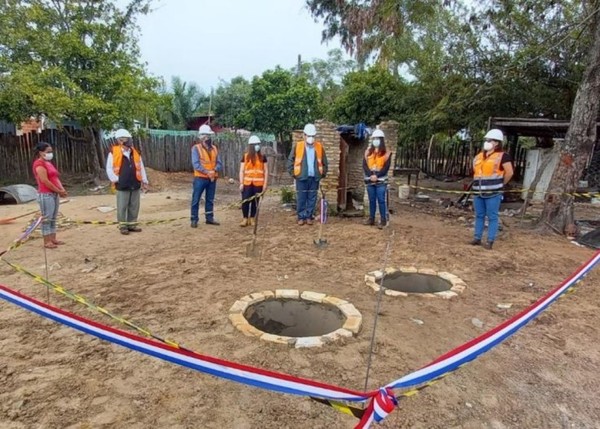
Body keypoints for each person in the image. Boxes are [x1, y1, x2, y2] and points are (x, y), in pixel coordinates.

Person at [471, 129, 514, 250]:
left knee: (492, 216)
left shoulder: (503, 156)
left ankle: (490, 240)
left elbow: (509, 172)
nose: (487, 142)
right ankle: (477, 238)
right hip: (478, 191)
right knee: (479, 215)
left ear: (497, 143)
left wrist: (501, 184)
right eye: (486, 140)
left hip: (493, 192)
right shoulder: (479, 156)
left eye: (489, 140)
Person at [105, 128, 149, 235]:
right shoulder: (113, 152)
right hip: (122, 184)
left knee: (134, 205)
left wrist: (144, 180)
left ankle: (132, 224)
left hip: (135, 182)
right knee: (122, 205)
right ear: (120, 140)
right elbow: (109, 168)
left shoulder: (135, 152)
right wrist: (116, 179)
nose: (130, 141)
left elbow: (141, 167)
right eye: (127, 139)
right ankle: (123, 226)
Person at [288, 123, 328, 226]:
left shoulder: (319, 147)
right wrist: (294, 174)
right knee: (301, 197)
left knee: (312, 198)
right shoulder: (298, 146)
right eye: (309, 136)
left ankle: (309, 216)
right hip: (301, 177)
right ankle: (301, 217)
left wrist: (322, 173)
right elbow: (290, 161)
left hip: (314, 178)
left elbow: (324, 162)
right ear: (304, 135)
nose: (311, 138)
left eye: (312, 136)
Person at [32, 142, 68, 249]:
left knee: (53, 217)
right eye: (48, 152)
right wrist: (59, 190)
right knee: (47, 218)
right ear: (41, 152)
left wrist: (62, 190)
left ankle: (53, 238)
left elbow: (55, 178)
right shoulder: (39, 164)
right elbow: (45, 181)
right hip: (45, 194)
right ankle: (46, 241)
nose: (50, 153)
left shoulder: (48, 163)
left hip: (54, 193)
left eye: (51, 151)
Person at [191, 124, 223, 227]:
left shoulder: (214, 148)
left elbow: (219, 163)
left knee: (210, 199)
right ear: (203, 136)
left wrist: (213, 171)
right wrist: (207, 172)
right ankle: (194, 219)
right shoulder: (196, 148)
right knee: (196, 199)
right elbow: (196, 164)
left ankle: (209, 218)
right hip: (200, 178)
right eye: (208, 135)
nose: (209, 138)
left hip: (212, 178)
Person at [363, 128, 391, 229]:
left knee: (381, 200)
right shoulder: (368, 152)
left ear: (381, 140)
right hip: (370, 180)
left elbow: (386, 167)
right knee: (371, 200)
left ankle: (383, 220)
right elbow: (365, 165)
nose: (375, 140)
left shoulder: (386, 153)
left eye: (377, 138)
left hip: (381, 181)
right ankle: (371, 218)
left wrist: (377, 176)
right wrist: (371, 175)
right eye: (374, 138)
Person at [239, 135, 268, 227]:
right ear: (251, 146)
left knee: (255, 202)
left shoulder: (262, 157)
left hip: (258, 183)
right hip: (247, 183)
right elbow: (241, 170)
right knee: (245, 201)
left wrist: (265, 184)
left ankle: (252, 218)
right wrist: (241, 183)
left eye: (258, 144)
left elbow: (266, 171)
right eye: (255, 144)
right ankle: (245, 218)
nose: (257, 146)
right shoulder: (245, 156)